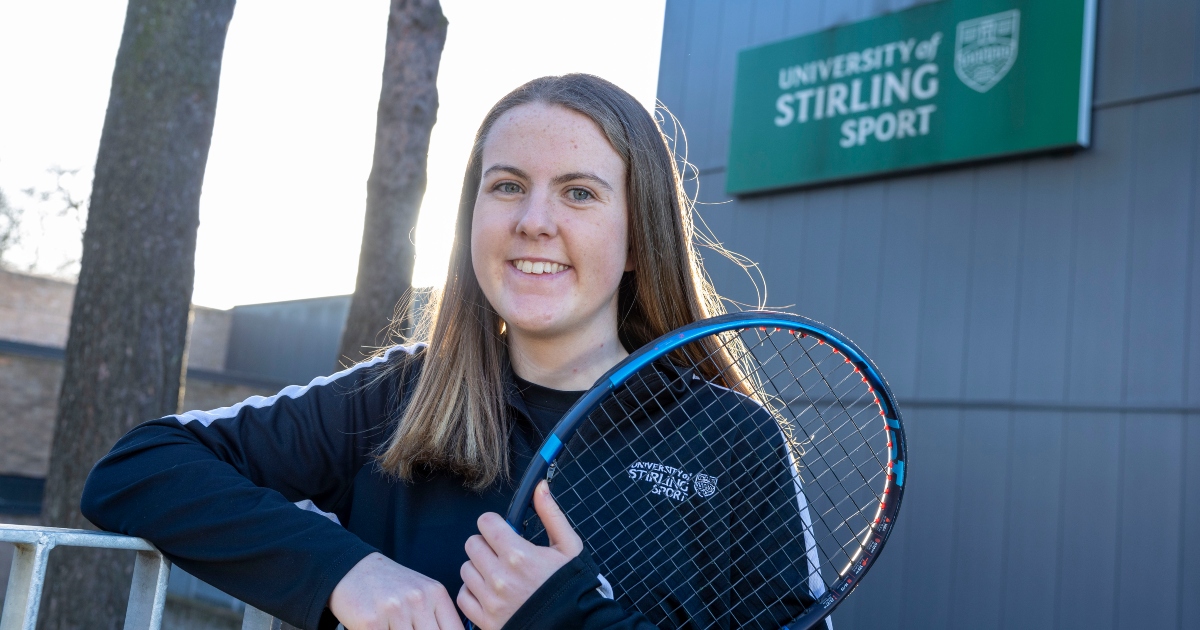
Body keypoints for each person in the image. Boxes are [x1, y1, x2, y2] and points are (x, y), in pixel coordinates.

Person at [81, 74, 814, 630]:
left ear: (638, 238)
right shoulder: (397, 397)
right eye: (507, 186)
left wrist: (567, 617)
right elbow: (137, 470)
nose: (533, 221)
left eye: (580, 194)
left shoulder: (735, 442)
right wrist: (348, 573)